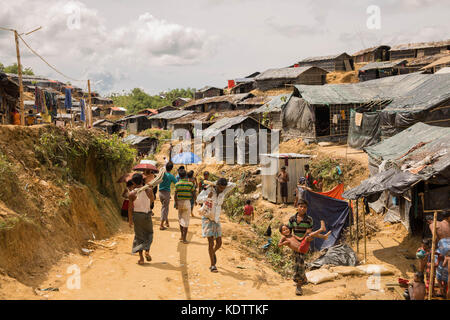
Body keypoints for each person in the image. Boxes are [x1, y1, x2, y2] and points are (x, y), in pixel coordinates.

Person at [200, 177, 236, 273]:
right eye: (220, 188)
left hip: (216, 218)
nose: (221, 190)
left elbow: (233, 185)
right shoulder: (209, 189)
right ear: (217, 186)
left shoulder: (224, 190)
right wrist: (207, 197)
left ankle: (212, 253)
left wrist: (217, 182)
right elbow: (198, 199)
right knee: (211, 242)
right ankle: (212, 265)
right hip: (207, 217)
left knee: (219, 243)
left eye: (223, 188)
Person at [287, 199, 314, 296]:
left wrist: (307, 238)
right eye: (301, 206)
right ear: (297, 207)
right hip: (294, 244)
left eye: (305, 207)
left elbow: (309, 233)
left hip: (304, 244)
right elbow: (289, 232)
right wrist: (290, 241)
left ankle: (299, 286)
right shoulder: (292, 219)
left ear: (307, 209)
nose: (302, 209)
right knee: (297, 262)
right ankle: (304, 279)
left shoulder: (309, 220)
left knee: (300, 263)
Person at [128, 173, 155, 265]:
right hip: (147, 215)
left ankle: (141, 258)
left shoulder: (132, 194)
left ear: (133, 182)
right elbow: (152, 200)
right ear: (142, 181)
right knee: (149, 233)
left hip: (137, 216)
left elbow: (130, 208)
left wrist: (130, 220)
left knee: (139, 236)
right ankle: (147, 251)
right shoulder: (149, 190)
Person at [174, 169, 196, 244]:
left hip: (179, 202)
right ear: (185, 175)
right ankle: (184, 239)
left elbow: (175, 195)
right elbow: (193, 193)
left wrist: (176, 203)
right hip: (187, 202)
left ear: (179, 176)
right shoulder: (190, 184)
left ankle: (181, 235)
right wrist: (195, 200)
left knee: (180, 219)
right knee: (186, 221)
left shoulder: (177, 184)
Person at [158, 162, 178, 230]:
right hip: (166, 193)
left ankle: (166, 222)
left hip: (160, 193)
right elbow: (176, 183)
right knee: (165, 209)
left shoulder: (162, 174)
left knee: (164, 207)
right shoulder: (171, 176)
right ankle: (161, 225)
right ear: (171, 168)